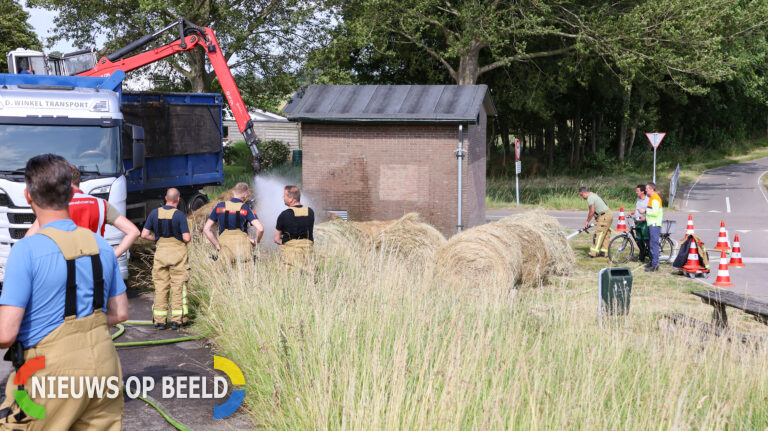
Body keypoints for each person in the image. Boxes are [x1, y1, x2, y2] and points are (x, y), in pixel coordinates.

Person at [0, 154, 128, 430]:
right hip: (105, 367)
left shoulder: (26, 251)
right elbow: (120, 313)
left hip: (46, 373)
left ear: (27, 196)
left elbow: (6, 334)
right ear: (71, 191)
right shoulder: (101, 245)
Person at [25, 165, 140, 259]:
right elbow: (134, 232)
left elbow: (28, 240)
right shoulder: (101, 204)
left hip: (63, 269)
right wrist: (111, 258)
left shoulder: (54, 206)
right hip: (94, 268)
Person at [140, 188, 191, 330]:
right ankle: (178, 320)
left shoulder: (154, 213)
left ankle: (160, 321)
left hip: (161, 254)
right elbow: (186, 238)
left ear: (165, 198)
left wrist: (156, 239)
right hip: (177, 255)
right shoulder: (180, 215)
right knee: (178, 287)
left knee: (161, 287)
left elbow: (144, 234)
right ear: (178, 199)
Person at [203, 182, 264, 262]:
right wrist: (255, 241)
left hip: (224, 248)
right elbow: (260, 229)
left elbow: (206, 229)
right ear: (245, 196)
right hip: (243, 249)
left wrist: (217, 244)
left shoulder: (219, 207)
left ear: (233, 192)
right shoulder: (246, 209)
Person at [274, 185, 315, 269]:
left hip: (290, 257)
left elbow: (276, 239)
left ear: (291, 199)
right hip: (307, 255)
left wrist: (286, 242)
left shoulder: (284, 215)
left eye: (284, 195)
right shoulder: (310, 212)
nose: (283, 197)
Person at [578, 186, 613, 258]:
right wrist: (597, 218)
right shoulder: (593, 195)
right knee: (606, 234)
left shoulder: (590, 198)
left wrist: (587, 221)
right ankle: (604, 252)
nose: (582, 197)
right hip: (608, 214)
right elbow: (600, 207)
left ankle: (593, 253)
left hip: (604, 216)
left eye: (581, 195)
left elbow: (591, 211)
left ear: (584, 192)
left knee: (599, 234)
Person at [645, 182, 664, 272]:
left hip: (655, 225)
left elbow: (655, 213)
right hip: (652, 224)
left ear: (651, 189)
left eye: (647, 189)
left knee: (654, 245)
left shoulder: (655, 199)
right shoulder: (652, 198)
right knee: (652, 245)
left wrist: (645, 211)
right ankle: (653, 262)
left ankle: (655, 264)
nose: (646, 190)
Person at [628, 184, 650, 262]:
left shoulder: (648, 200)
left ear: (642, 192)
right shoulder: (638, 199)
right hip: (637, 222)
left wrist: (645, 216)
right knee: (639, 240)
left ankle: (651, 259)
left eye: (638, 191)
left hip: (644, 223)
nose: (636, 192)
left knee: (646, 240)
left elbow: (650, 211)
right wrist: (632, 212)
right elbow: (638, 210)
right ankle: (641, 257)